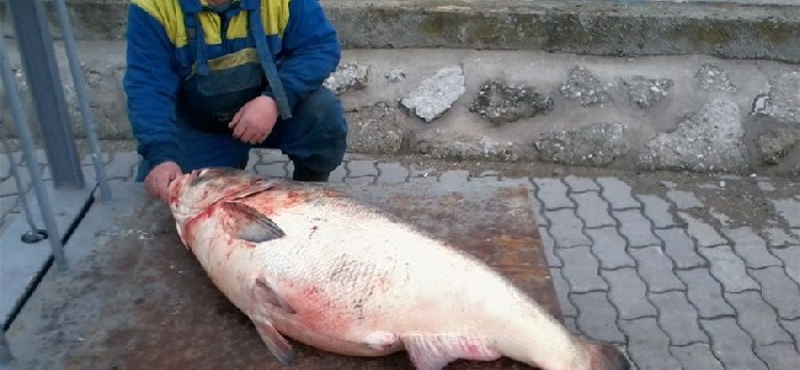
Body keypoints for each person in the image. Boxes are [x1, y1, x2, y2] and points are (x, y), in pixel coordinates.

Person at [123, 0, 348, 204]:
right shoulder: (153, 6)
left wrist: (275, 100)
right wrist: (161, 156)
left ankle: (311, 193)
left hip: (271, 113)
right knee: (164, 201)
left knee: (322, 112)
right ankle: (225, 165)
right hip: (198, 125)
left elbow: (319, 47)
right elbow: (148, 86)